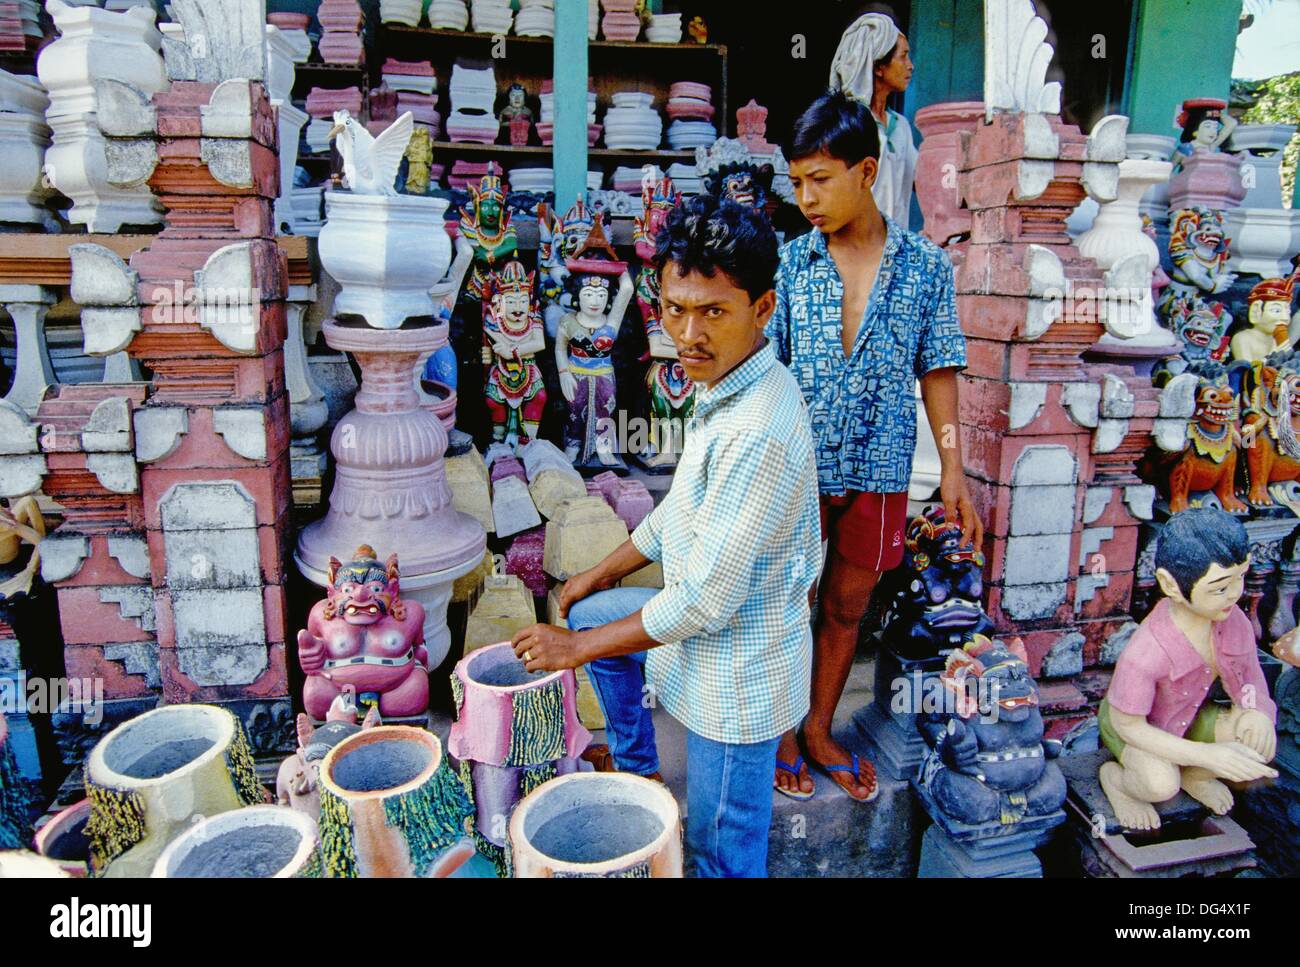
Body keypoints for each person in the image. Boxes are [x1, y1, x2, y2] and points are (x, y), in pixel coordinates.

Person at [510, 194, 823, 877]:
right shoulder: (724, 386)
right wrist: (600, 574)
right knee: (592, 612)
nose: (689, 332)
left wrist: (575, 647)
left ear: (762, 309)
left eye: (713, 311)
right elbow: (675, 511)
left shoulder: (757, 429)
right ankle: (639, 771)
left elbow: (705, 603)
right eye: (676, 308)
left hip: (736, 681)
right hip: (703, 642)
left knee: (720, 853)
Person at [768, 89, 981, 802]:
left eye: (819, 180)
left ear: (866, 170)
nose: (806, 198)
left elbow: (940, 367)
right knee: (788, 599)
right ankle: (783, 730)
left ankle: (820, 726)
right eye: (796, 182)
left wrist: (953, 464)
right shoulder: (793, 263)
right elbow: (767, 369)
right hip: (799, 467)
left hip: (883, 466)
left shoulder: (925, 267)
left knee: (846, 607)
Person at [1099, 508, 1278, 831]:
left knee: (1256, 740)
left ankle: (1194, 775)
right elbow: (1130, 727)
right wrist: (1208, 755)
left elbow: (1250, 676)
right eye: (1220, 587)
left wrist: (1256, 712)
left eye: (1241, 578)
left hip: (1191, 718)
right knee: (1159, 785)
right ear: (1171, 585)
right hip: (1138, 728)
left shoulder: (1232, 620)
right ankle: (1117, 782)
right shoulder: (1147, 651)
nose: (1235, 594)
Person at [829, 10, 916, 228]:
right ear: (878, 67)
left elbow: (920, 179)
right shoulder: (847, 124)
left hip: (895, 249)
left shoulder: (901, 127)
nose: (910, 65)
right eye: (903, 56)